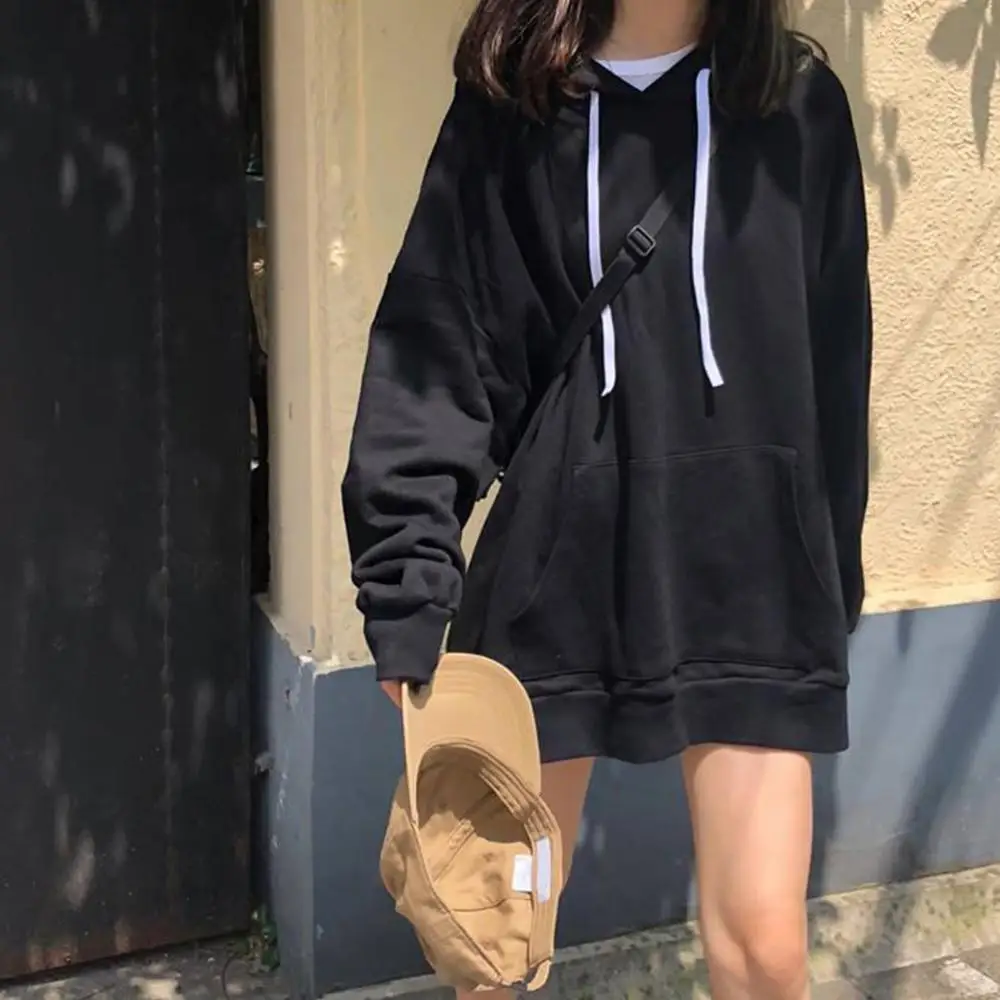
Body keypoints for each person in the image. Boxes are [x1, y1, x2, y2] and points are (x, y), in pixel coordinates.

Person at [343, 0, 872, 997]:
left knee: (764, 951)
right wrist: (406, 580)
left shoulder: (797, 106)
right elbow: (440, 343)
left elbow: (835, 366)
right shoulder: (510, 109)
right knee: (493, 953)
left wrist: (827, 568)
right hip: (556, 564)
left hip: (753, 575)